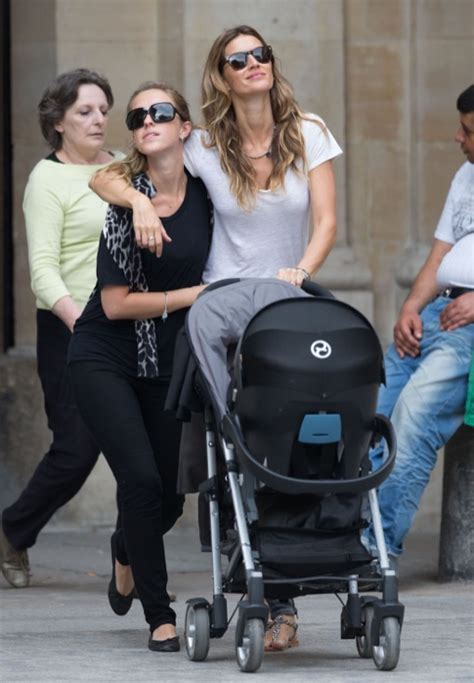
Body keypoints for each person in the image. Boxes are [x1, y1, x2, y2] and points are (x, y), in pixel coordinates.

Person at [91, 25, 342, 651]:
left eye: (261, 54)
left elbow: (328, 220)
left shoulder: (308, 131)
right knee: (229, 456)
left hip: (285, 312)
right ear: (222, 76)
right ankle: (258, 590)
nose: (254, 63)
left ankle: (286, 595)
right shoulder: (203, 144)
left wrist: (301, 272)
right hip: (220, 320)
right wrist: (141, 206)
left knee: (286, 449)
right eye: (239, 59)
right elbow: (107, 178)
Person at [68, 81, 212, 652]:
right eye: (136, 116)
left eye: (160, 112)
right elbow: (114, 304)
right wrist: (191, 295)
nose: (146, 121)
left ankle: (126, 547)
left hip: (167, 359)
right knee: (141, 481)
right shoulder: (125, 201)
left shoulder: (208, 194)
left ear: (184, 128)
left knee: (173, 493)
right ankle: (160, 613)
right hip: (105, 352)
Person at [0, 69, 119, 589]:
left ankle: (136, 565)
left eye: (102, 110)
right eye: (85, 112)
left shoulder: (122, 167)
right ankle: (12, 531)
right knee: (76, 449)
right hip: (70, 328)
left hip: (127, 322)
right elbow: (43, 270)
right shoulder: (46, 180)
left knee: (147, 453)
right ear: (58, 122)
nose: (98, 120)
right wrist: (82, 322)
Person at [365, 84, 474, 562]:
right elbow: (439, 256)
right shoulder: (465, 175)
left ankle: (376, 546)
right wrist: (409, 307)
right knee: (374, 417)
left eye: (468, 130)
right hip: (432, 315)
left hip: (465, 330)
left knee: (412, 419)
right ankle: (349, 533)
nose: (457, 137)